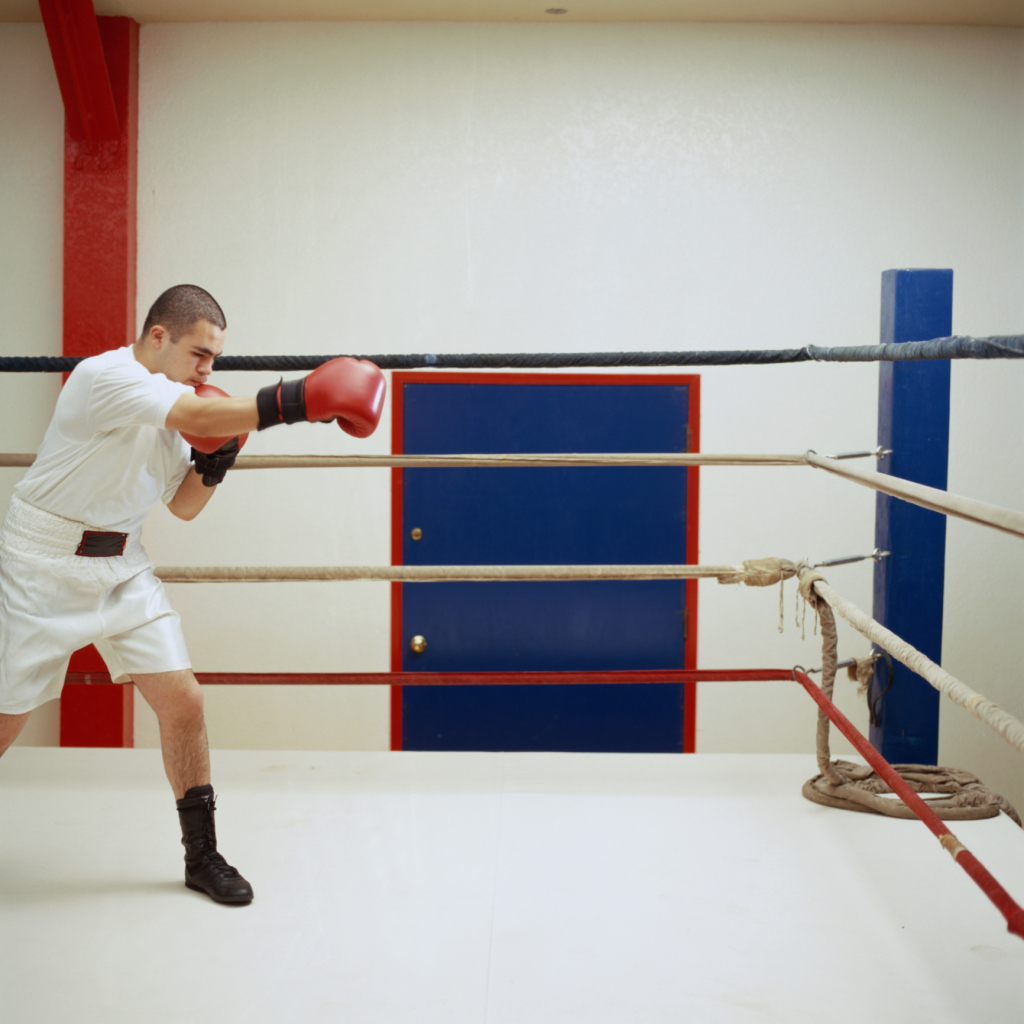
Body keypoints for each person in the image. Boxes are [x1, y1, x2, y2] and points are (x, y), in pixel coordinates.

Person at [0, 284, 385, 904]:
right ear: (158, 336)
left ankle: (201, 856)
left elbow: (182, 507)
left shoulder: (185, 403)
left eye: (215, 358)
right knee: (6, 718)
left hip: (122, 565)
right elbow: (204, 416)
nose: (208, 369)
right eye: (200, 354)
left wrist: (218, 460)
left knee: (184, 702)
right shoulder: (108, 376)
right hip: (40, 565)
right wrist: (300, 398)